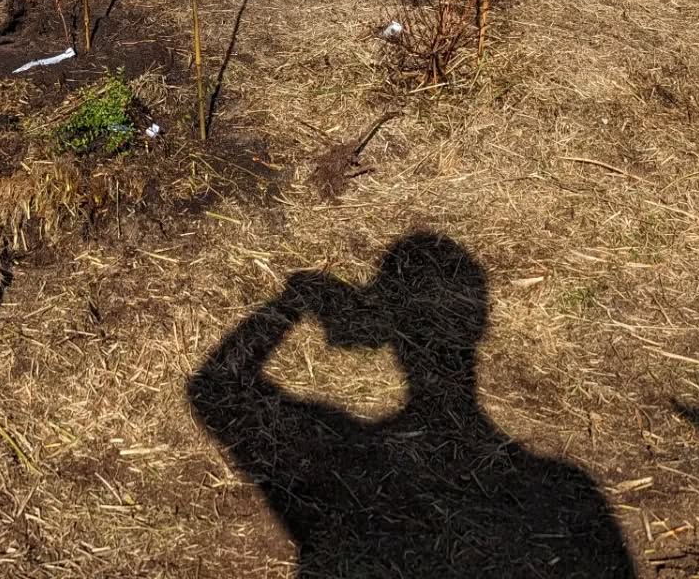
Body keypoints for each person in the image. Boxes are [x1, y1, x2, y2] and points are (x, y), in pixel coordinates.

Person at [188, 232, 636, 577]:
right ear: (480, 324)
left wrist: (297, 298)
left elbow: (214, 388)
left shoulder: (343, 467)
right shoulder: (568, 493)